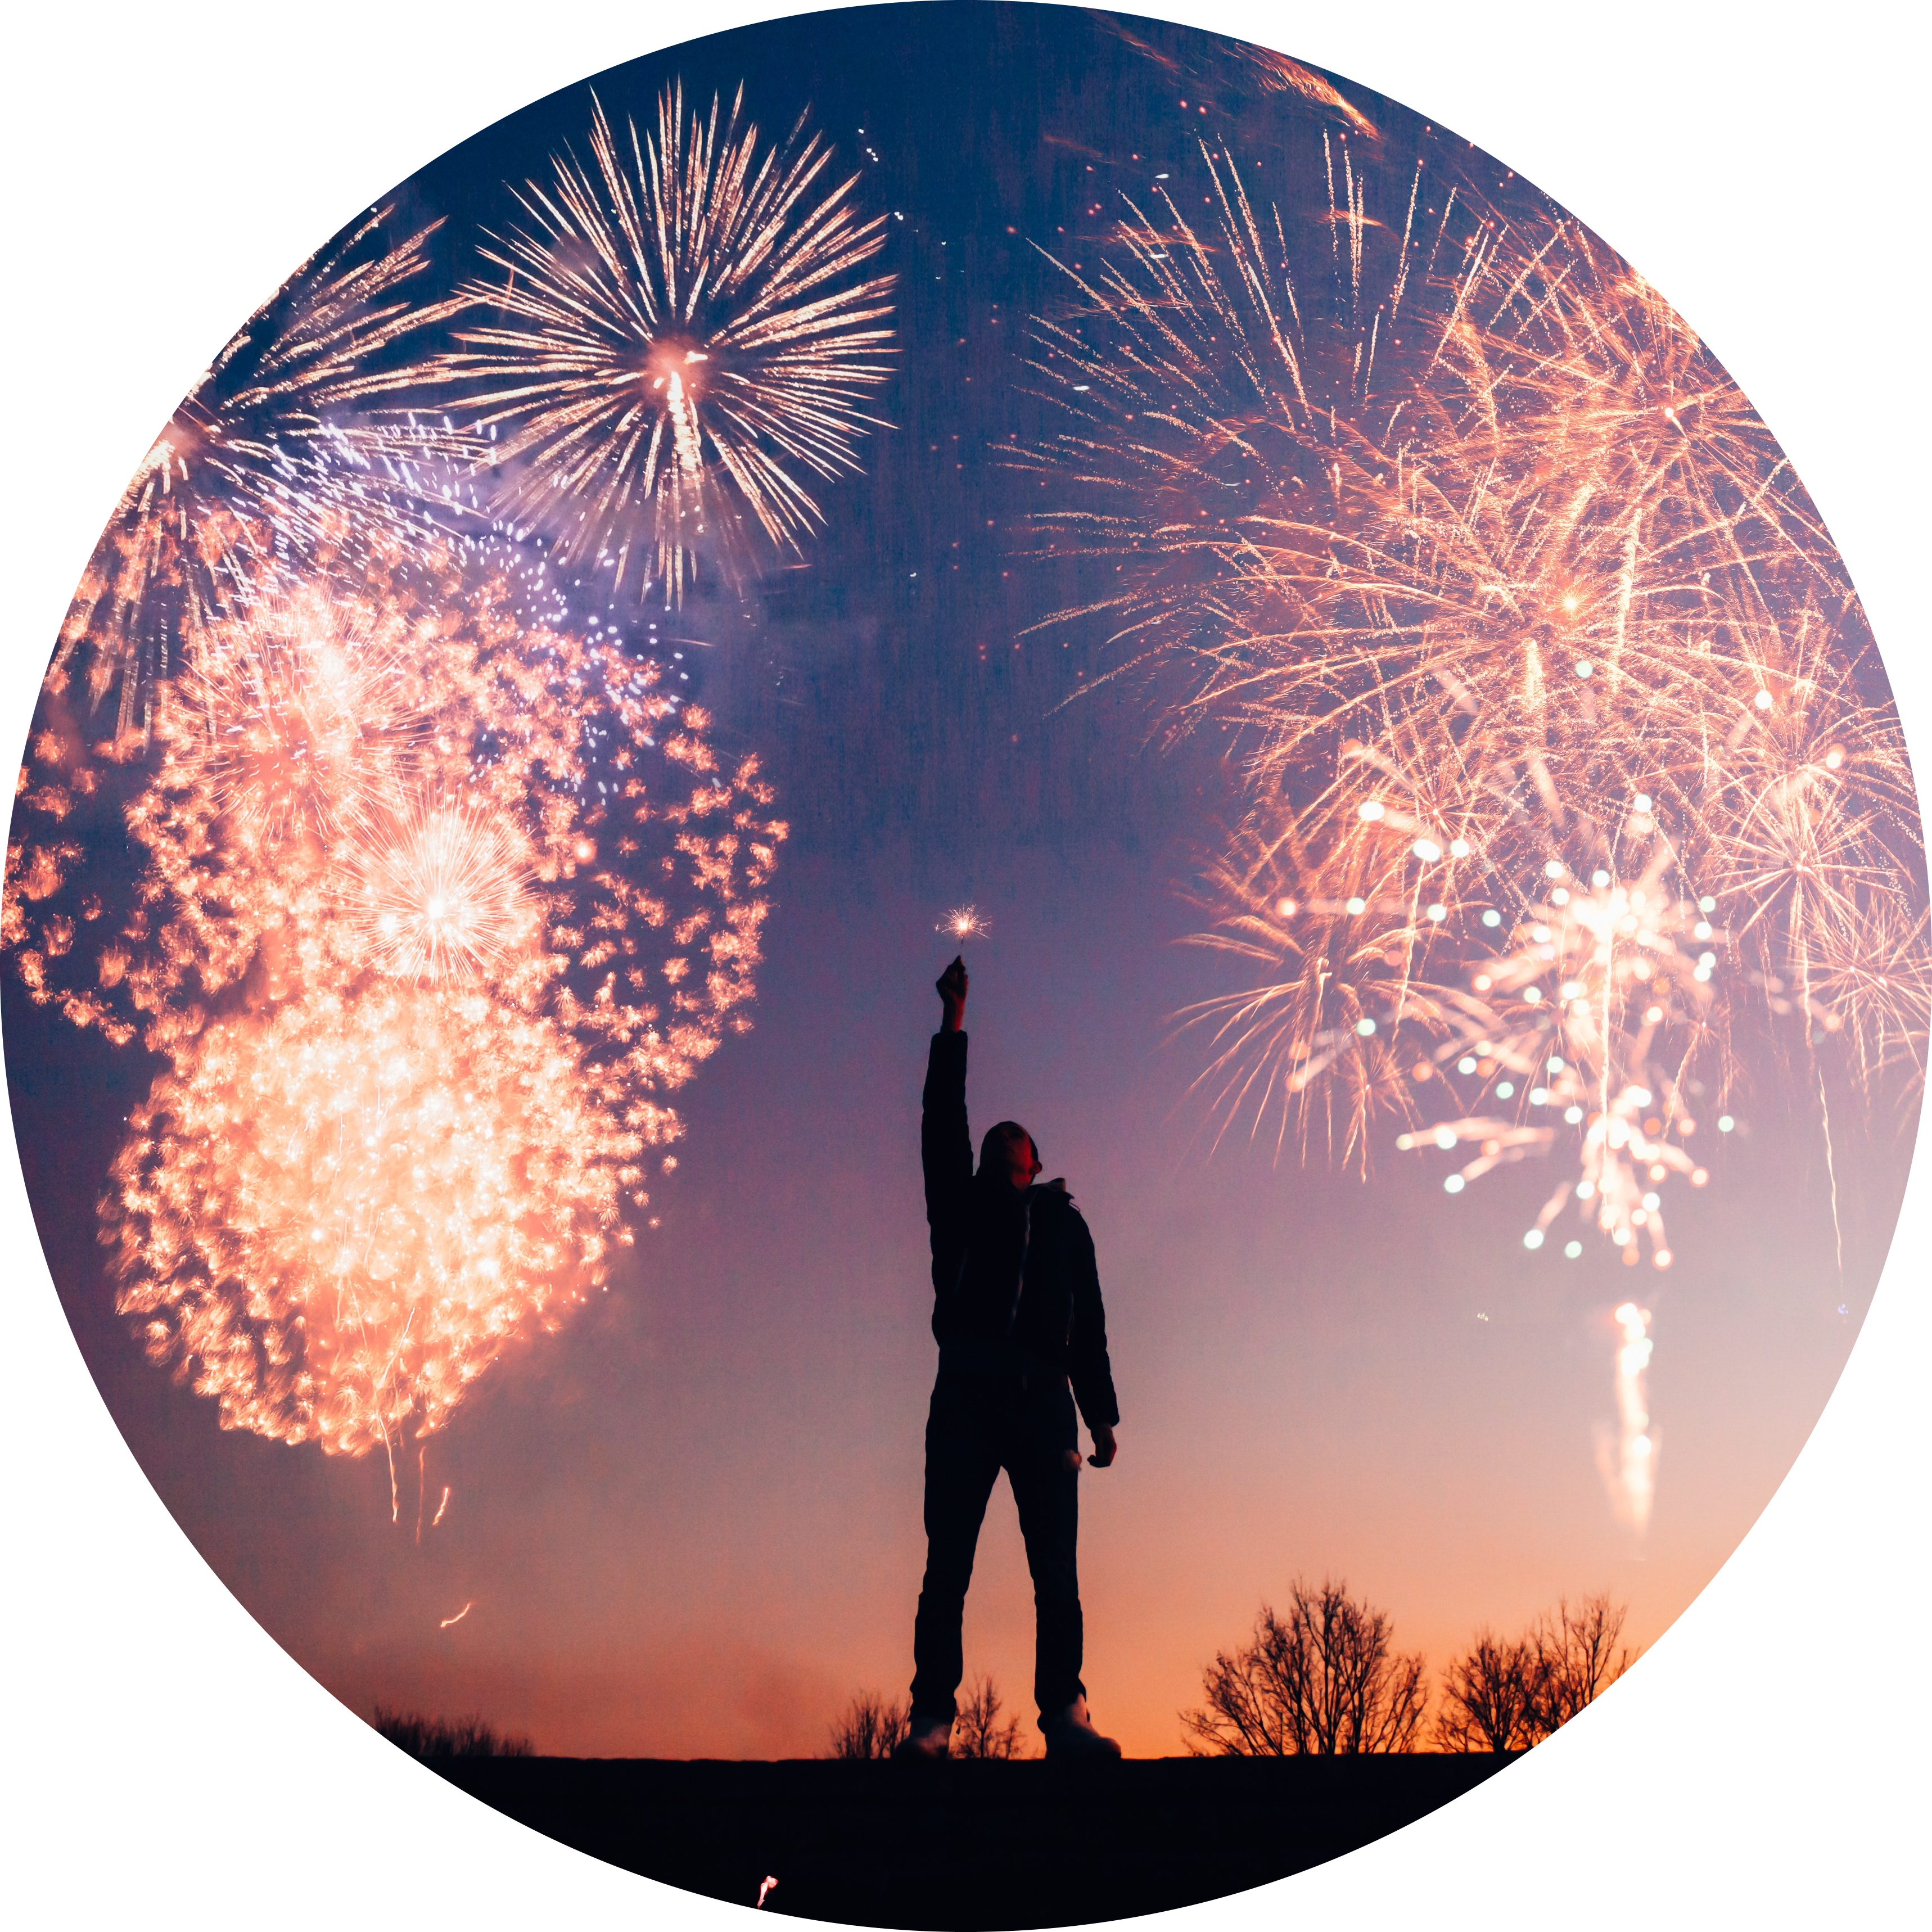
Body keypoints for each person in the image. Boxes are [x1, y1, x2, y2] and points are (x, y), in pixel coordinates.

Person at [895, 955, 1123, 1761]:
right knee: (947, 1563)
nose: (996, 1151)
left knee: (1054, 1571)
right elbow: (939, 1122)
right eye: (988, 1147)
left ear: (1033, 1164)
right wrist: (954, 1023)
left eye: (1009, 1148)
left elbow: (1088, 1322)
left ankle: (1065, 1713)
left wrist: (1101, 1412)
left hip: (1042, 1401)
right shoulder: (958, 1208)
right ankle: (931, 1720)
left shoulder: (1065, 1227)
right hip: (965, 1392)